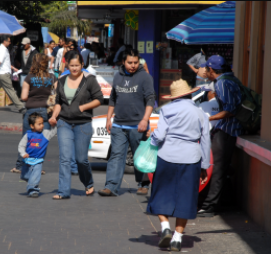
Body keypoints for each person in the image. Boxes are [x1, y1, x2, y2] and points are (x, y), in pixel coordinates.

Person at [147, 79, 210, 252]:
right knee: (186, 198)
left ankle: (165, 227)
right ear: (190, 94)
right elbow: (205, 141)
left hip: (167, 155)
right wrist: (204, 165)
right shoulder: (200, 113)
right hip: (191, 158)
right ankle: (177, 238)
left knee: (160, 193)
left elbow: (159, 136)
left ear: (174, 97)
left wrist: (150, 140)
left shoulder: (167, 110)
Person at [98, 48, 155, 197]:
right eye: (130, 62)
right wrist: (108, 118)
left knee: (140, 156)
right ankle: (111, 186)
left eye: (136, 62)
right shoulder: (117, 76)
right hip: (118, 124)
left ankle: (143, 184)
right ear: (124, 62)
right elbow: (112, 99)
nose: (133, 65)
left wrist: (144, 120)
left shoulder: (145, 77)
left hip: (138, 125)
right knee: (116, 155)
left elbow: (150, 99)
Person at [49, 50, 103, 199]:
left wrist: (83, 107)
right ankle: (63, 192)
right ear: (67, 65)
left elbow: (99, 99)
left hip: (83, 123)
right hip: (64, 122)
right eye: (71, 65)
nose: (74, 68)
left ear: (82, 65)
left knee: (81, 160)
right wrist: (54, 116)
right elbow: (59, 102)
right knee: (65, 158)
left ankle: (88, 183)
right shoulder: (61, 80)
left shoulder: (89, 79)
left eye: (77, 65)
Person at [197, 55, 243, 217]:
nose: (204, 72)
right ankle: (223, 201)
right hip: (230, 130)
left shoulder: (222, 83)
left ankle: (209, 206)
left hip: (228, 130)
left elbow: (230, 110)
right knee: (222, 167)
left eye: (206, 69)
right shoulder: (231, 79)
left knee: (216, 168)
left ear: (211, 70)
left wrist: (208, 118)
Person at [11, 53, 57, 176]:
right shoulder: (52, 77)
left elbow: (24, 97)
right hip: (46, 111)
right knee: (42, 140)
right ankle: (37, 165)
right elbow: (57, 94)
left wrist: (33, 94)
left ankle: (20, 166)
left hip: (32, 110)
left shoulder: (29, 78)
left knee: (26, 139)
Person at [18, 112, 57, 198]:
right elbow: (21, 145)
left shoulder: (45, 133)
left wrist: (53, 125)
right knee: (25, 176)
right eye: (39, 124)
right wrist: (23, 153)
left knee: (36, 175)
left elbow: (53, 132)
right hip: (27, 160)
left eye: (42, 123)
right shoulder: (28, 135)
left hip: (38, 160)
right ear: (32, 126)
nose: (42, 125)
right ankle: (30, 181)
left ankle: (33, 190)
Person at [0, 35, 25, 113]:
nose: (10, 42)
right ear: (4, 41)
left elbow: (4, 62)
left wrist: (13, 68)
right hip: (3, 74)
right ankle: (20, 107)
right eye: (9, 41)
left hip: (0, 73)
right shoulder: (3, 50)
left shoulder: (0, 49)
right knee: (10, 90)